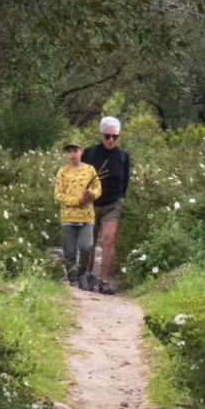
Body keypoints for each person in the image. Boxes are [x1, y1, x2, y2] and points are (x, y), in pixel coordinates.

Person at [81, 116, 130, 294]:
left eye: (115, 137)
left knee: (109, 242)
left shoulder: (123, 156)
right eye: (108, 136)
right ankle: (88, 274)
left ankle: (105, 282)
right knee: (90, 242)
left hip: (112, 205)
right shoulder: (90, 153)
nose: (111, 140)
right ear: (101, 135)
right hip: (92, 204)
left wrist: (120, 198)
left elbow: (125, 180)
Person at [53, 142, 102, 290]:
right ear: (66, 155)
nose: (72, 154)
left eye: (75, 150)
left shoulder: (90, 170)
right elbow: (58, 195)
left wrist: (90, 194)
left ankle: (82, 274)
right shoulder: (63, 172)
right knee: (69, 251)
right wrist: (76, 201)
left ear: (81, 152)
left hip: (86, 217)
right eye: (69, 152)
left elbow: (98, 189)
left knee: (87, 247)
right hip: (68, 217)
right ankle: (73, 280)